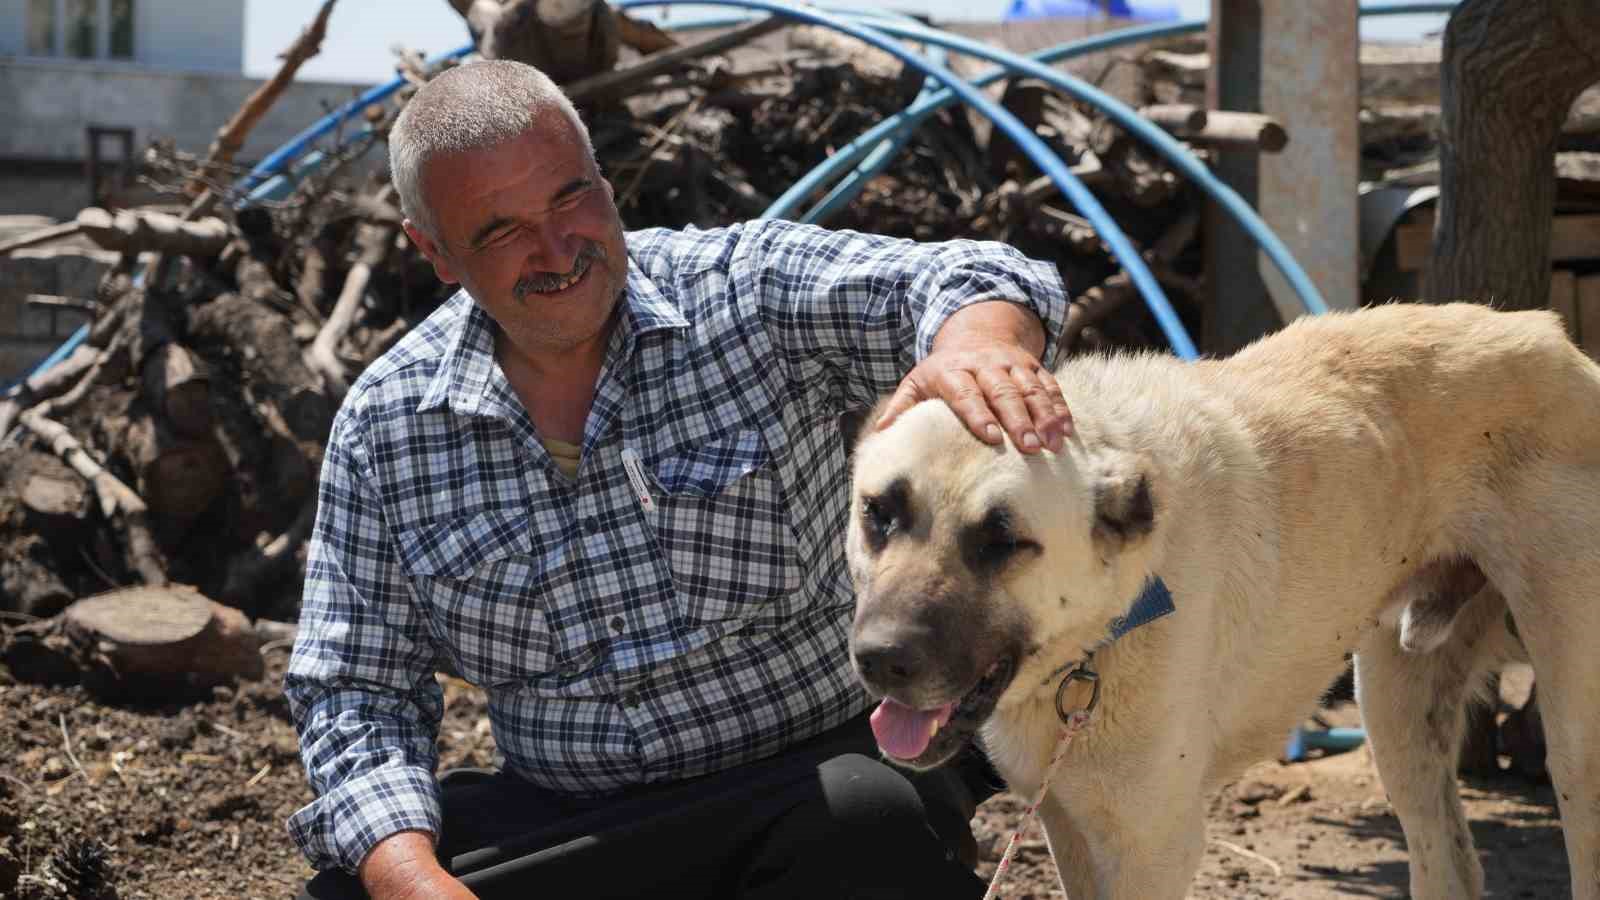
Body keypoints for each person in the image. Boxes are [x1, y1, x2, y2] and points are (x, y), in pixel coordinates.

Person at [287, 58, 1072, 900]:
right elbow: (354, 689)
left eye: (569, 197)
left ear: (604, 181)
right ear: (434, 251)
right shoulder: (389, 425)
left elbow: (972, 277)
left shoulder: (744, 294)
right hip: (579, 820)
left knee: (866, 824)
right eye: (501, 231)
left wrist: (975, 345)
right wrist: (411, 879)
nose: (556, 249)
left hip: (811, 780)